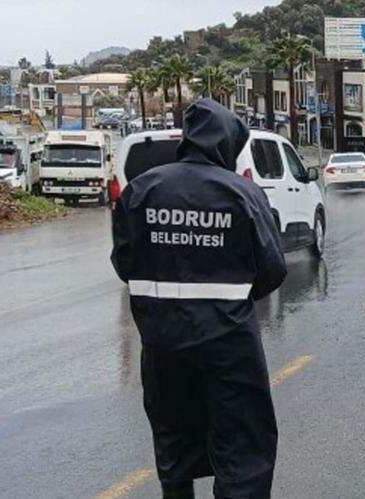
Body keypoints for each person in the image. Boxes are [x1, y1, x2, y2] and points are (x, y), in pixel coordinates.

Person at [111, 98, 287, 499]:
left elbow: (124, 262)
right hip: (228, 342)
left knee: (174, 436)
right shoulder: (243, 193)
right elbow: (272, 270)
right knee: (244, 443)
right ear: (228, 142)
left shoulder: (142, 190)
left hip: (161, 341)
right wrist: (228, 296)